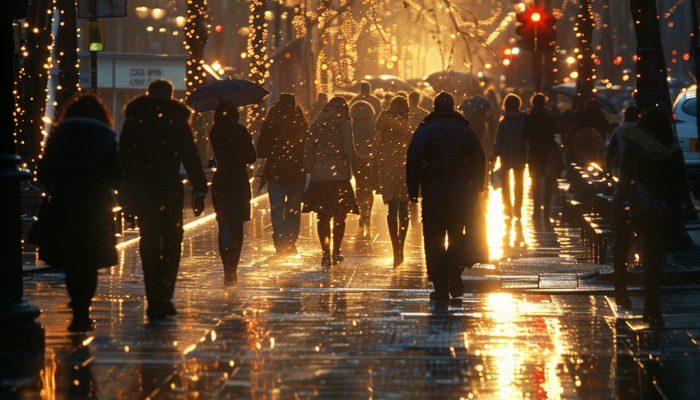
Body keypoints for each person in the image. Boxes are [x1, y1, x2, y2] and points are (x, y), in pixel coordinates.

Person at [119, 79, 208, 320]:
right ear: (170, 96)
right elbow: (190, 156)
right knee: (172, 241)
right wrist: (199, 190)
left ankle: (153, 295)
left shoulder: (134, 121)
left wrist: (125, 195)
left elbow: (124, 160)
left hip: (143, 189)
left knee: (148, 239)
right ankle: (165, 294)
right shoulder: (177, 123)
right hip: (169, 189)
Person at [36, 92, 121, 332]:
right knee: (89, 260)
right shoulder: (106, 138)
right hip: (95, 207)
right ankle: (84, 310)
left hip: (66, 205)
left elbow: (44, 171)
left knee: (73, 260)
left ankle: (78, 310)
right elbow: (116, 175)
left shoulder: (59, 135)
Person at [406, 92, 486, 301]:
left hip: (434, 193)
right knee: (458, 235)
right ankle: (454, 272)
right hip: (461, 194)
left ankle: (440, 285)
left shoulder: (426, 129)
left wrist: (413, 189)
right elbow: (479, 157)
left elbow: (414, 158)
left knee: (433, 239)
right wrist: (477, 186)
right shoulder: (464, 130)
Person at [615, 107, 682, 327]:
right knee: (654, 260)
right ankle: (652, 308)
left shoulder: (634, 147)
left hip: (636, 206)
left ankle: (622, 292)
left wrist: (620, 199)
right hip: (660, 211)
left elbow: (624, 177)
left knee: (621, 249)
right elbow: (677, 187)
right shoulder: (672, 150)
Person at [303, 97, 359, 266]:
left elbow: (308, 149)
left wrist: (311, 167)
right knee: (339, 216)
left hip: (320, 176)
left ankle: (325, 252)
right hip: (339, 175)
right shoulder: (343, 124)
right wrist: (357, 166)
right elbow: (349, 150)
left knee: (323, 216)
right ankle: (336, 251)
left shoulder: (317, 123)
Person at [209, 101, 257, 286]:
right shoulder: (240, 130)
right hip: (239, 180)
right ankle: (233, 270)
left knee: (224, 224)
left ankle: (225, 268)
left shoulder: (214, 132)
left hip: (221, 179)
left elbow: (220, 153)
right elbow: (251, 156)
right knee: (237, 226)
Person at [257, 93, 308, 256]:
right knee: (293, 209)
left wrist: (275, 151)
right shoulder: (300, 122)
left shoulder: (270, 123)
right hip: (295, 172)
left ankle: (280, 241)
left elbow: (261, 151)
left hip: (275, 171)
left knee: (277, 209)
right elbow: (306, 148)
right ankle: (291, 241)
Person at [375, 95, 413, 267]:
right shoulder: (406, 124)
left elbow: (377, 146)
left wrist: (375, 166)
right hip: (405, 167)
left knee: (392, 209)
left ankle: (395, 246)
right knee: (404, 209)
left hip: (388, 167)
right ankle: (401, 246)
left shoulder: (383, 122)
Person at [521, 93, 561, 222]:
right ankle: (547, 210)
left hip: (534, 153)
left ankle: (536, 209)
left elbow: (525, 135)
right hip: (548, 152)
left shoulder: (530, 117)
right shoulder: (548, 117)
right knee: (549, 182)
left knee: (535, 182)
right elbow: (557, 129)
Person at [491, 93, 528, 221]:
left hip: (505, 157)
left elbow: (498, 141)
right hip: (520, 156)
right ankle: (518, 209)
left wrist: (494, 156)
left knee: (505, 185)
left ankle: (507, 208)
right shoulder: (525, 120)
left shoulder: (504, 122)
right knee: (519, 184)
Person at [350, 100, 377, 234]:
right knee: (369, 187)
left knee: (360, 186)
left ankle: (361, 210)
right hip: (369, 158)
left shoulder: (351, 123)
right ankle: (367, 213)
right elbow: (375, 139)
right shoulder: (372, 123)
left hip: (356, 159)